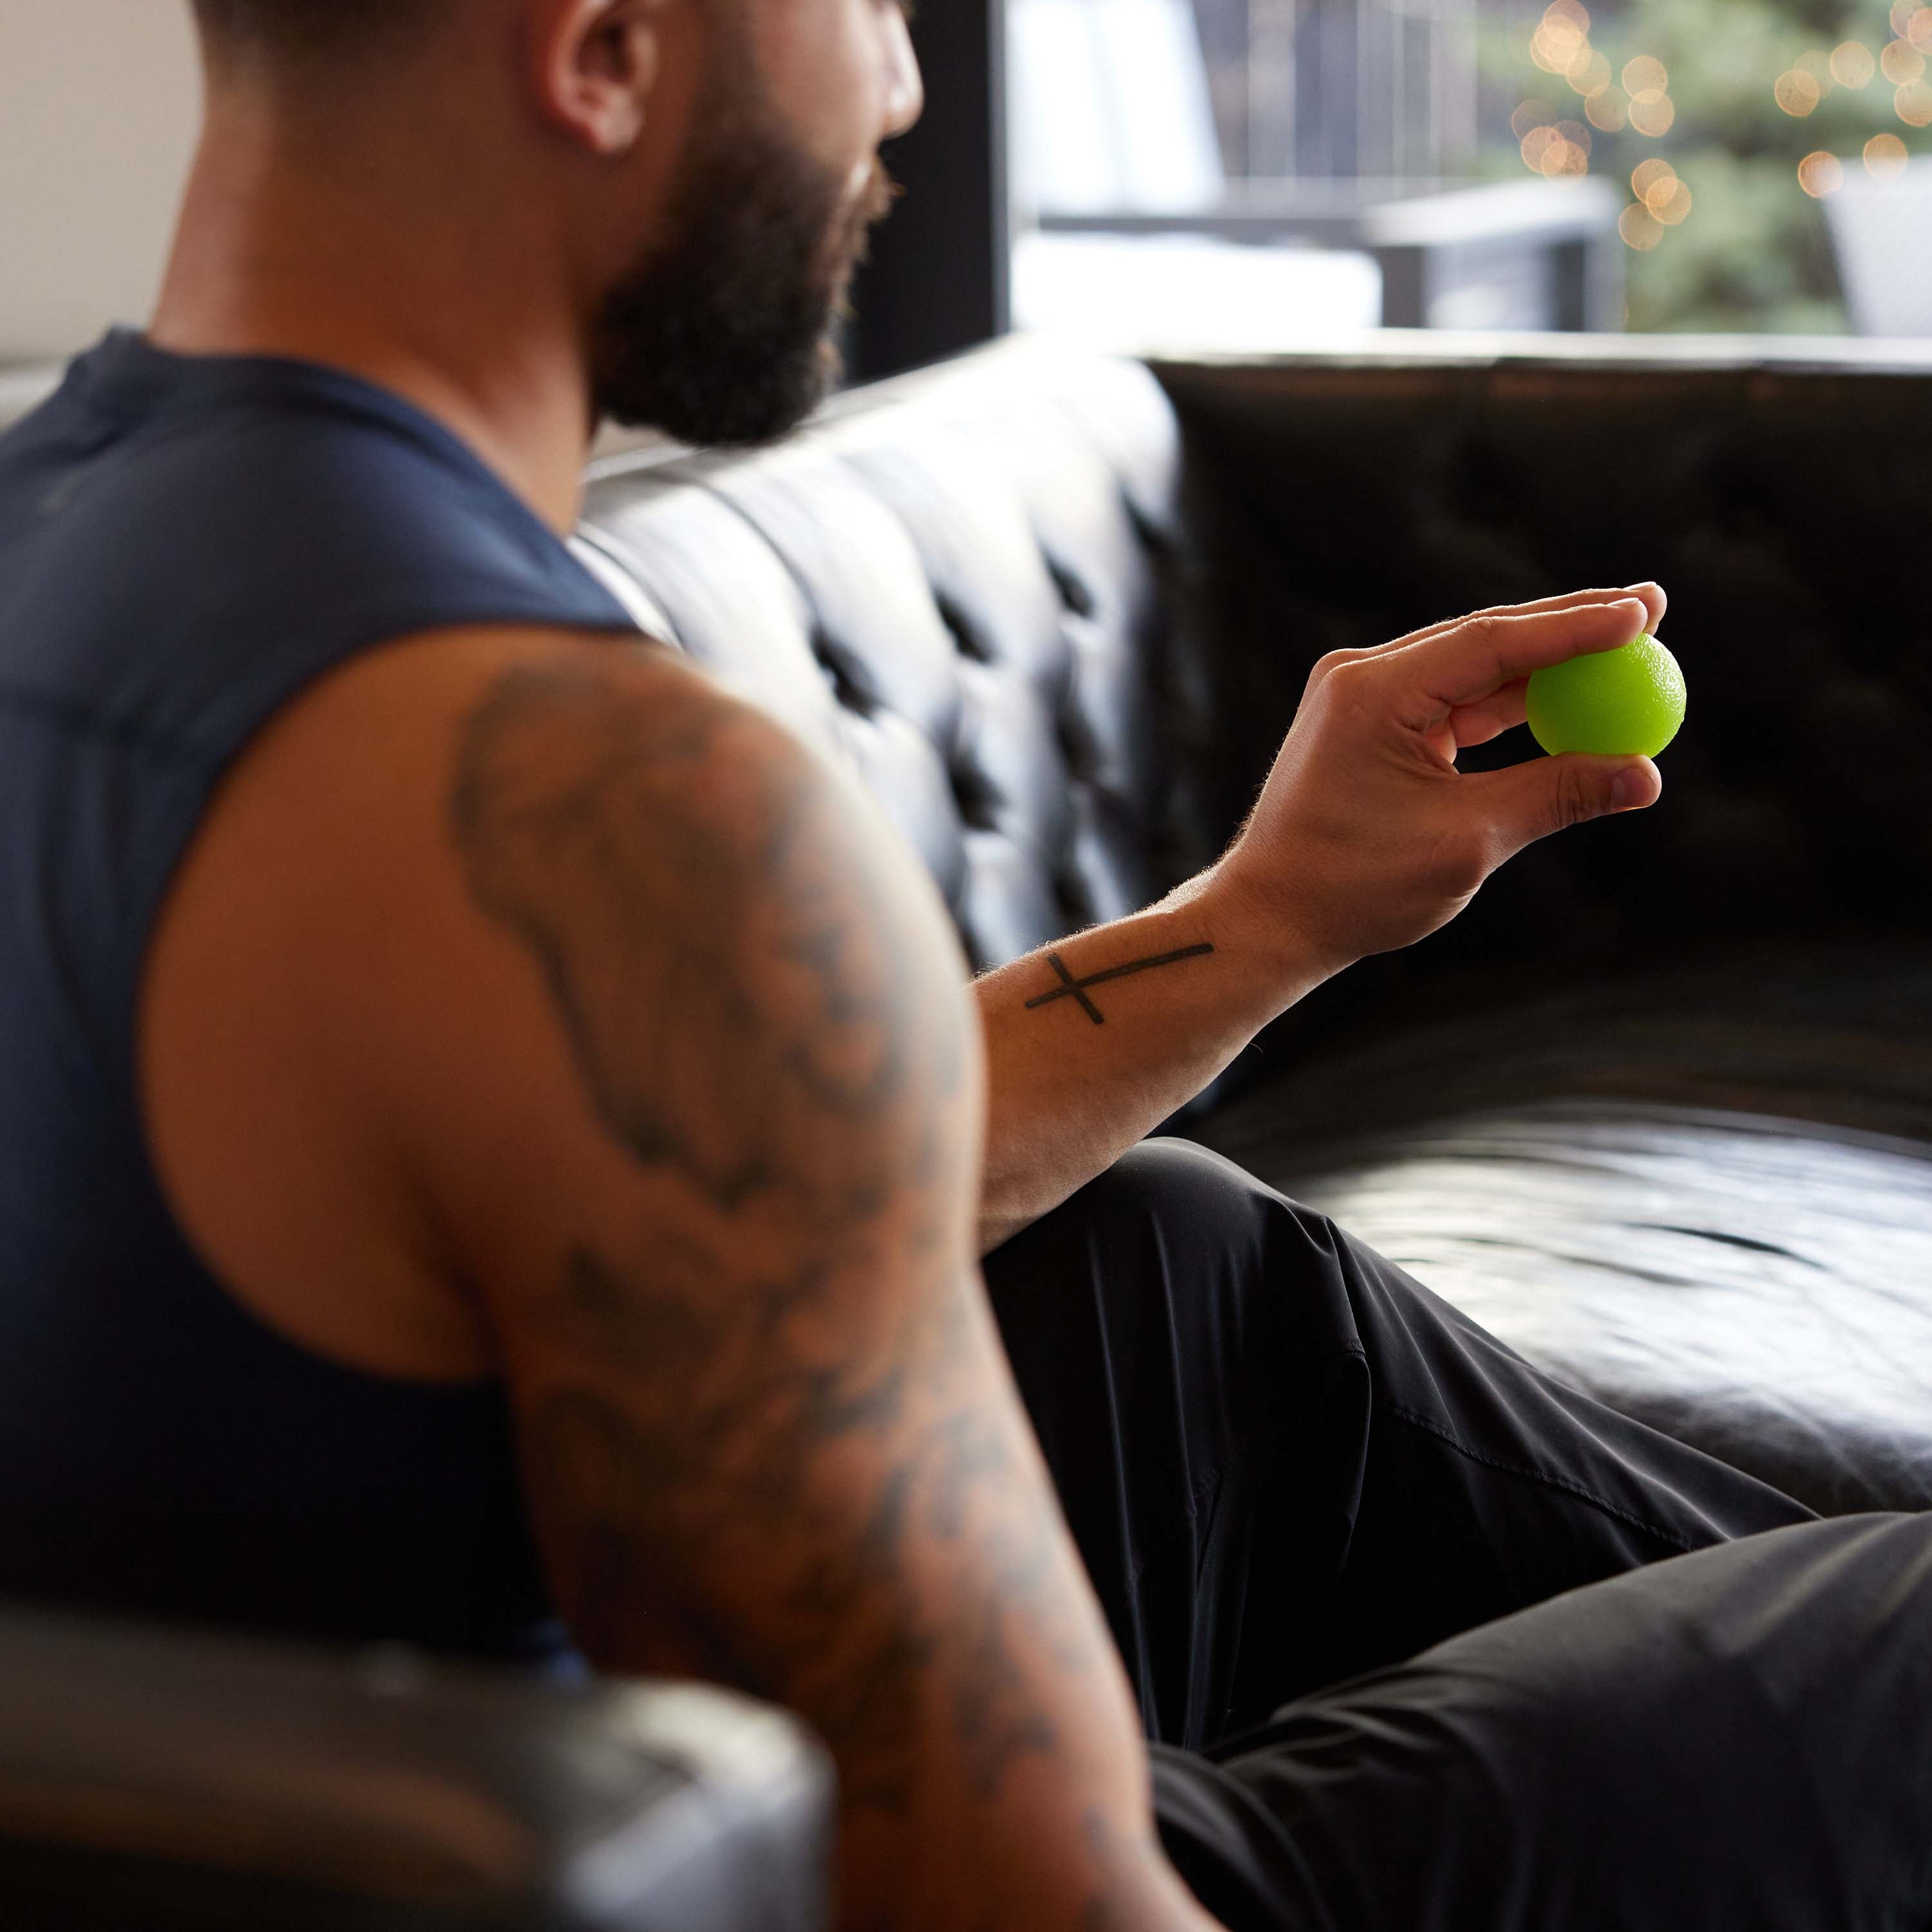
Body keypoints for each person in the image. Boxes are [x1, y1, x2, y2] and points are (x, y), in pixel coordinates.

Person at [1, 3, 1927, 1928]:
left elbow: (678, 1170)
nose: (907, 83)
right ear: (598, 52)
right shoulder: (577, 794)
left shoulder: (72, 526)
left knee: (1173, 1268)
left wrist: (1266, 918)